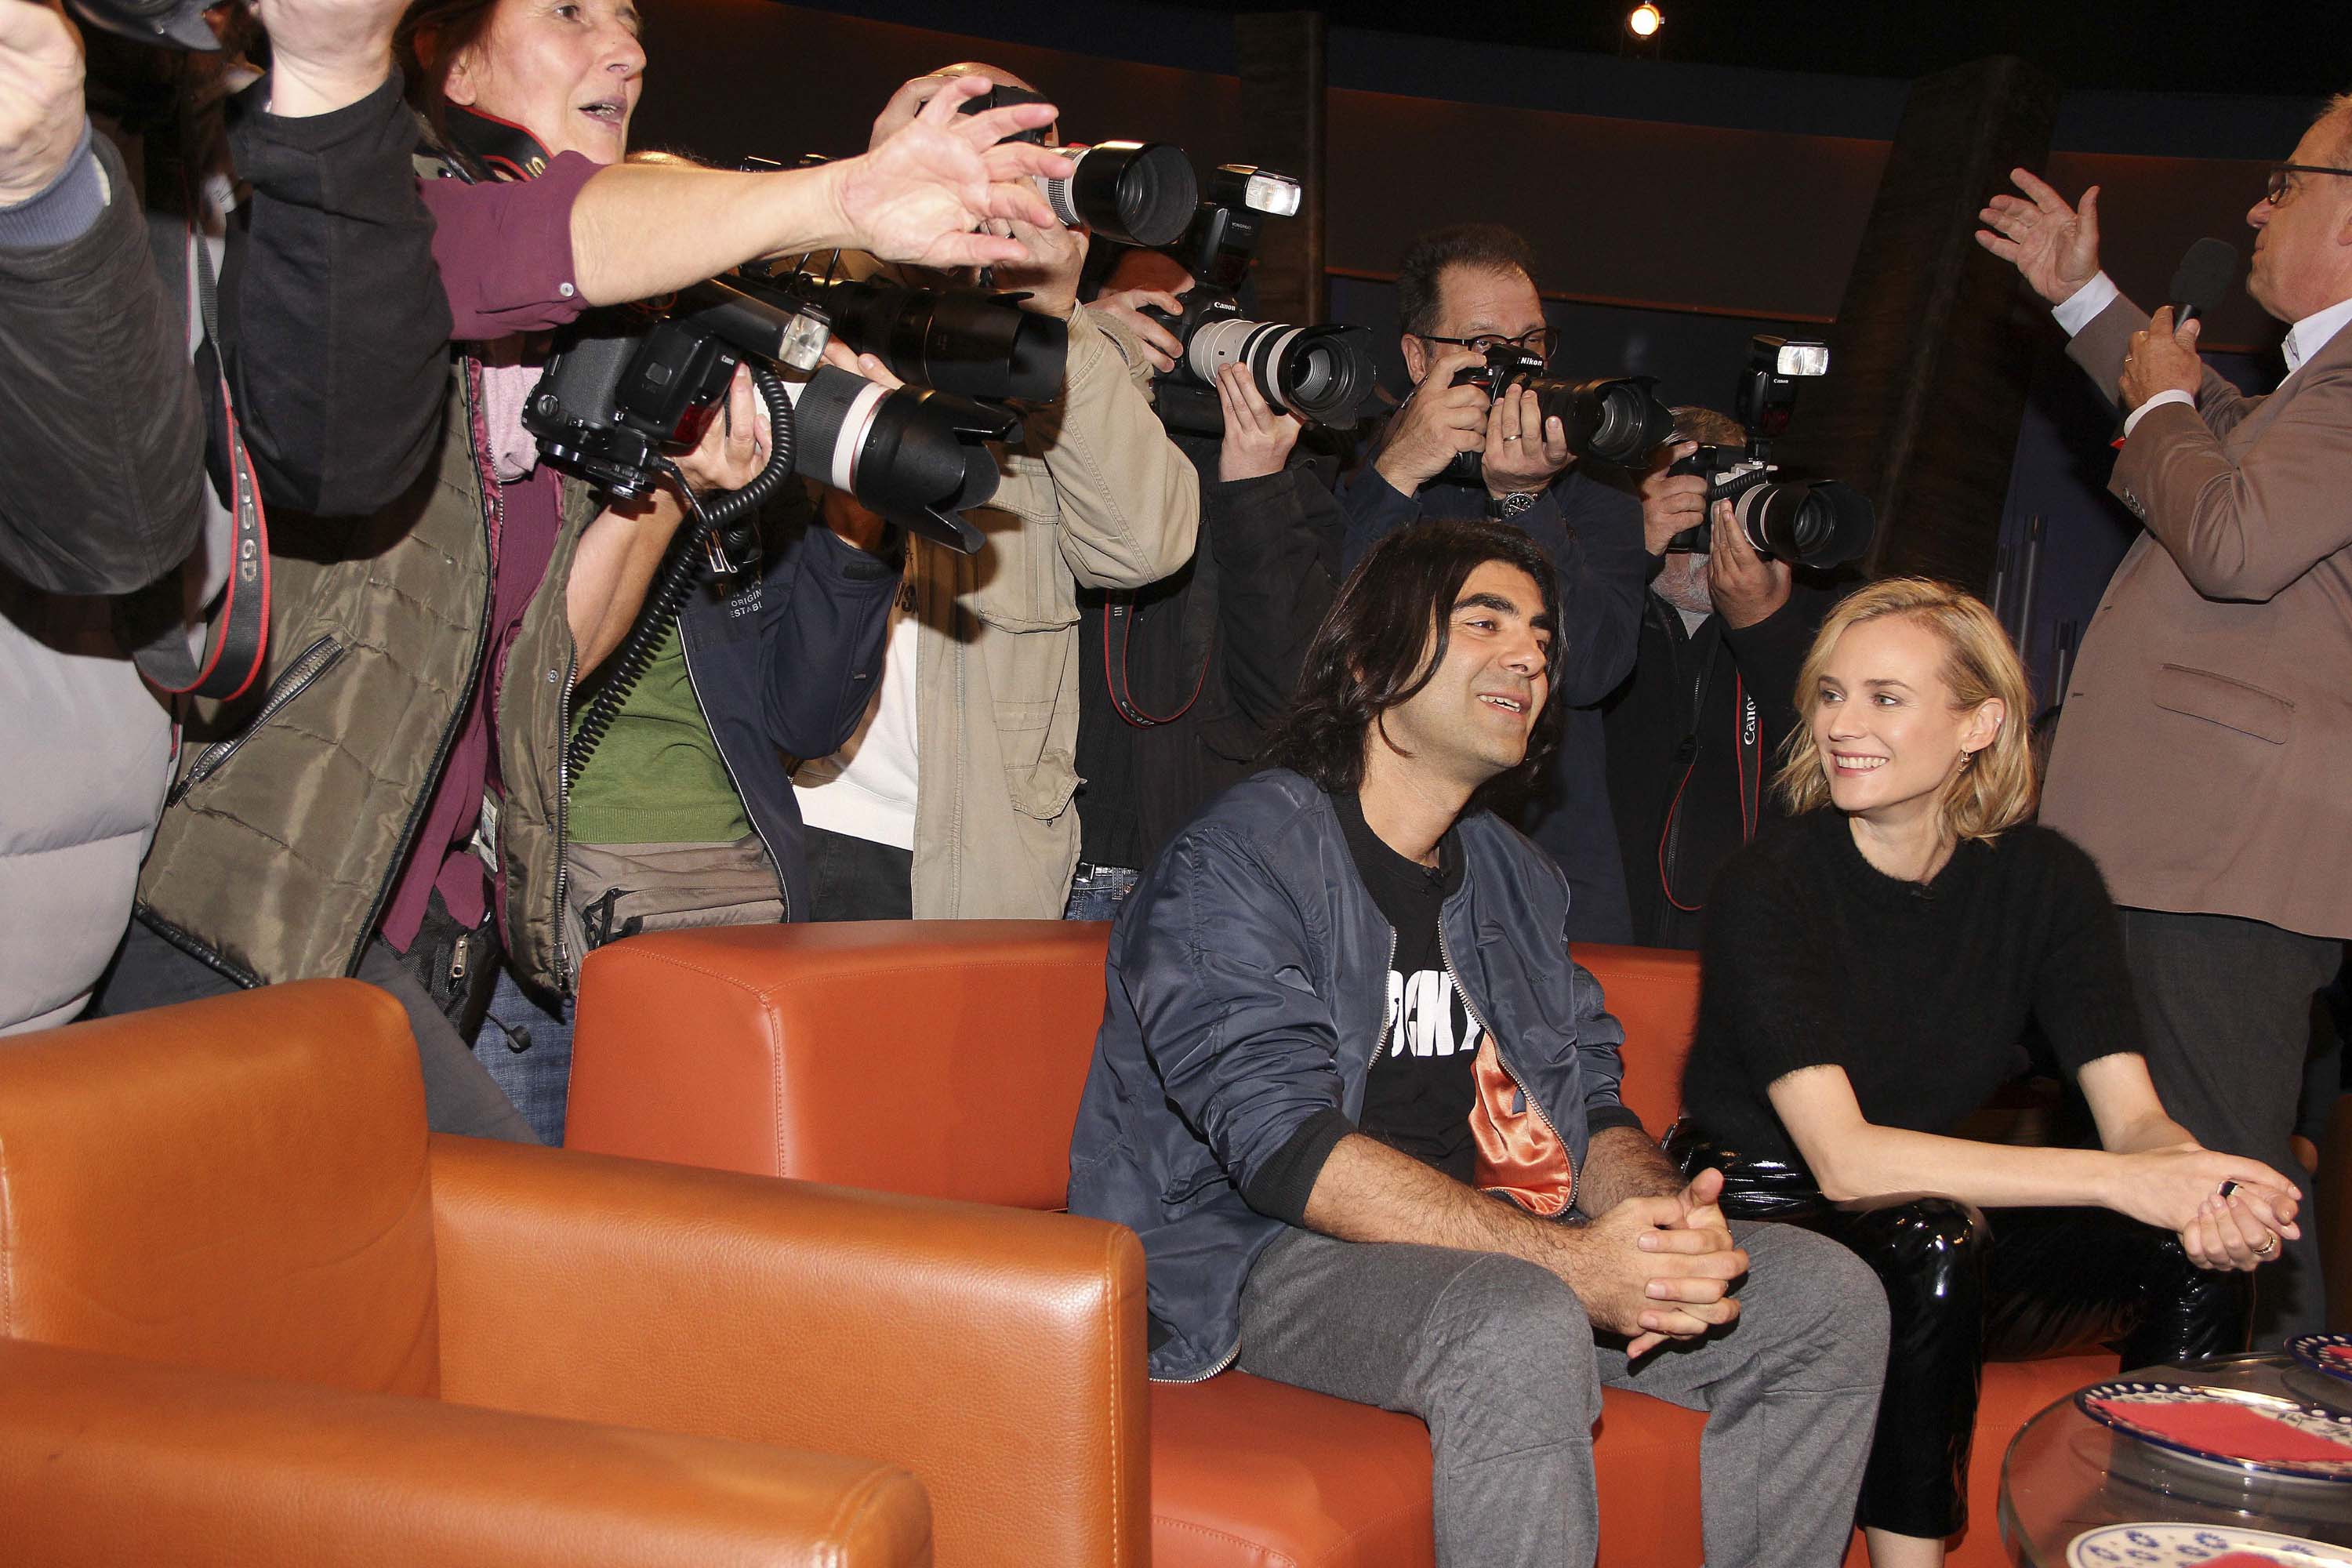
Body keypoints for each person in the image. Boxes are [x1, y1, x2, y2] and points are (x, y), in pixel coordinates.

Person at [97, 3, 1073, 1139]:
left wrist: (672, 481)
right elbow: (523, 240)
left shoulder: (560, 354)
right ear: (446, 56)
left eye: (630, 22)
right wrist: (842, 193)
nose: (629, 47)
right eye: (570, 11)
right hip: (240, 907)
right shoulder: (363, 213)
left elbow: (545, 659)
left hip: (408, 925)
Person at [1069, 518, 1889, 1568]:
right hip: (1257, 1262)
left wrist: (1649, 1231)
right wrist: (1571, 1265)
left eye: (1543, 639)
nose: (1531, 657)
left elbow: (1587, 1097)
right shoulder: (1240, 859)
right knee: (1520, 1316)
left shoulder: (1510, 875)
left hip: (1481, 1247)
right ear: (1369, 665)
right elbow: (1283, 1150)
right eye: (1484, 624)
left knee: (1825, 1296)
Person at [1672, 578, 2298, 1568]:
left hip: (1933, 1211)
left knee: (2184, 1244)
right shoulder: (1773, 883)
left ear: (1980, 722)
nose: (1843, 723)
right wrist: (2119, 1176)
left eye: (1885, 697)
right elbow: (1845, 1161)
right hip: (1765, 1214)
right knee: (1933, 1234)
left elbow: (2134, 1118)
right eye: (1830, 693)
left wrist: (2197, 1182)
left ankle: (2166, 1539)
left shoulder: (2045, 883)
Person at [1973, 91, 2352, 1338]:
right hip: (2190, 856)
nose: (2256, 205)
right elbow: (2219, 444)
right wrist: (2089, 302)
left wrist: (2162, 406)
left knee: (2227, 1189)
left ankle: (2274, 1482)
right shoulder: (2319, 385)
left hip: (2226, 867)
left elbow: (2234, 537)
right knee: (2178, 1184)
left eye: (2287, 185)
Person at [2, 0, 456, 1033]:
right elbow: (116, 526)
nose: (630, 49)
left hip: (81, 916)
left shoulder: (199, 126)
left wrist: (336, 77)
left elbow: (341, 460)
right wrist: (40, 193)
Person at [791, 63, 1201, 922]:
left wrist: (1058, 319)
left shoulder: (1057, 360)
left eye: (1033, 172)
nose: (1002, 194)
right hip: (794, 823)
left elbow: (1146, 544)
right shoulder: (806, 290)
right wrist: (868, 213)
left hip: (975, 857)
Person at [1339, 223, 1666, 944]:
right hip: (1370, 870)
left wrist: (1525, 503)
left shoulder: (1591, 481)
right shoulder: (1355, 465)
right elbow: (1323, 638)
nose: (1517, 369)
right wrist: (1397, 475)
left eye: (1534, 344)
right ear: (1417, 355)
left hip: (1547, 871)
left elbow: (1598, 667)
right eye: (1486, 346)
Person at [1058, 248, 1347, 920]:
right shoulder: (1043, 417)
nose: (1179, 337)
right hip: (1050, 852)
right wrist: (1076, 353)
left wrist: (1254, 490)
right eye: (1156, 312)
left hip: (1196, 873)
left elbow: (1291, 699)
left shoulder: (1280, 472)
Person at [1602, 406, 1838, 948]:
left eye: (1726, 506)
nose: (1711, 531)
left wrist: (1764, 629)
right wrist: (1624, 557)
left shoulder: (1820, 619)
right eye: (1686, 504)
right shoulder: (1589, 608)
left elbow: (1832, 763)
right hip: (1593, 940)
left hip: (1751, 947)